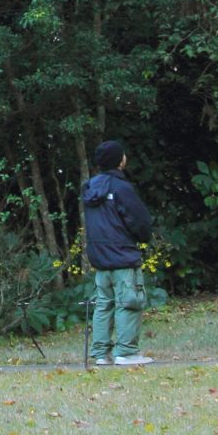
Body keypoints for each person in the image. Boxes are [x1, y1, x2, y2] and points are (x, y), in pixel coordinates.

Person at [80, 140, 156, 367]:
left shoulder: (89, 188)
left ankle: (101, 354)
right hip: (122, 255)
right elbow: (140, 221)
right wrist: (144, 237)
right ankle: (127, 352)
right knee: (129, 301)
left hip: (100, 257)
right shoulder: (122, 188)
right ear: (120, 161)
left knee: (104, 304)